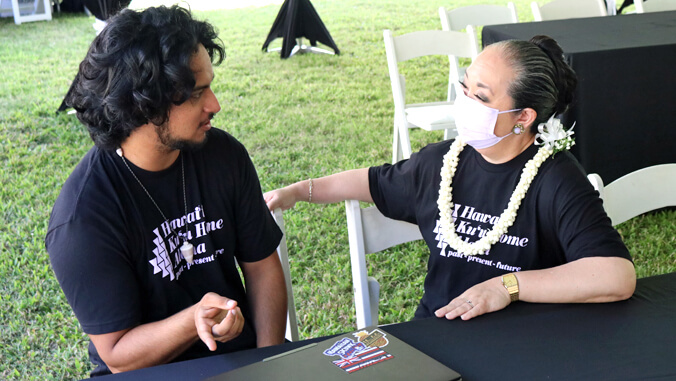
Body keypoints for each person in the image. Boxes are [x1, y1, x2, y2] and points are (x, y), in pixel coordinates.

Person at [265, 35, 636, 323]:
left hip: (526, 338)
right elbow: (371, 181)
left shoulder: (555, 178)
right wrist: (300, 191)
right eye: (465, 88)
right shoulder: (441, 162)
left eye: (482, 97)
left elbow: (616, 276)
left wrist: (508, 287)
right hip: (438, 330)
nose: (465, 102)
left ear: (523, 117)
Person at [46, 6, 287, 376]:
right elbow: (117, 354)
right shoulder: (83, 218)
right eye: (196, 94)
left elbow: (262, 268)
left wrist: (268, 364)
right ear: (144, 103)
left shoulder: (223, 155)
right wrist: (195, 320)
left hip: (239, 359)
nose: (215, 105)